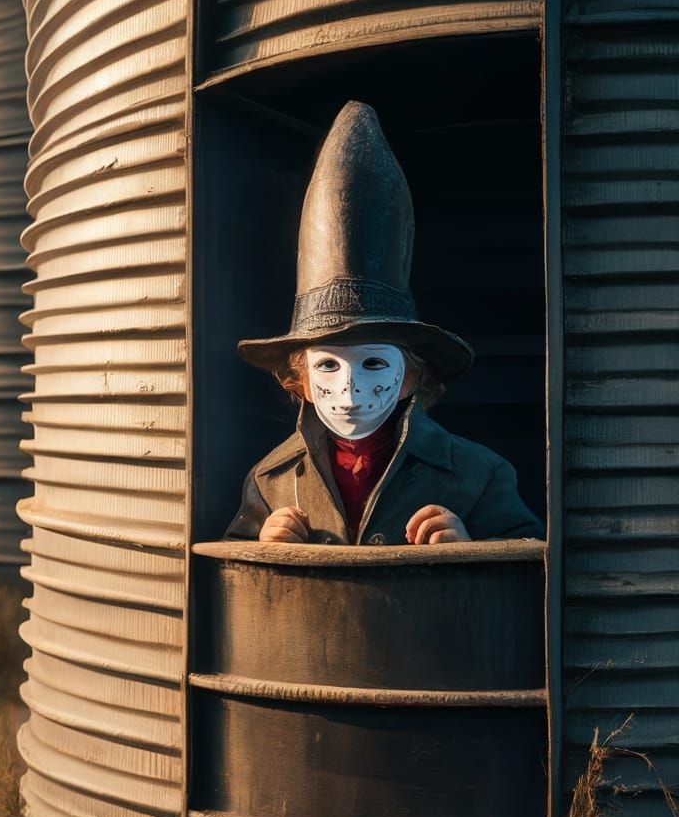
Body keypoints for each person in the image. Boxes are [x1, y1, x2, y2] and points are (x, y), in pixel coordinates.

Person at [225, 101, 544, 546]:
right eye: (328, 366)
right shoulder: (269, 480)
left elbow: (532, 577)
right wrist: (262, 548)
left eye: (374, 363)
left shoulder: (480, 476)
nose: (350, 390)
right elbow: (232, 582)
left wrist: (473, 551)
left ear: (413, 375)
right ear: (301, 379)